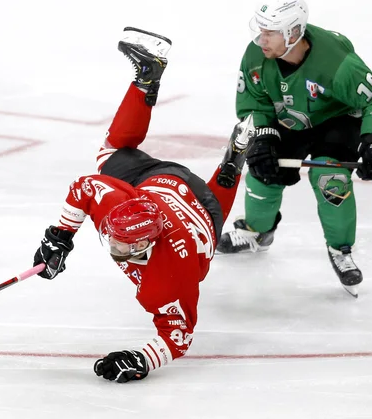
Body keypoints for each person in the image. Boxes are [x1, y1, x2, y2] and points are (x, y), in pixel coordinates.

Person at [31, 27, 253, 383]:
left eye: (121, 243)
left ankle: (231, 167)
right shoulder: (118, 208)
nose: (112, 245)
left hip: (195, 206)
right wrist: (59, 237)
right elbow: (84, 188)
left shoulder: (169, 276)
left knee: (210, 224)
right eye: (112, 237)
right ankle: (148, 77)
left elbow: (177, 339)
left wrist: (141, 359)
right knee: (108, 155)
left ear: (146, 244)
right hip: (160, 184)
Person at [215, 0, 372, 298]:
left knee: (331, 177)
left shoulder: (337, 63)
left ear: (294, 32)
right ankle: (257, 232)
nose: (262, 40)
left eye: (270, 32)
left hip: (337, 121)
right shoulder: (256, 56)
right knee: (263, 168)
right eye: (261, 31)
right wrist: (263, 134)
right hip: (289, 120)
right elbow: (253, 101)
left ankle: (340, 248)